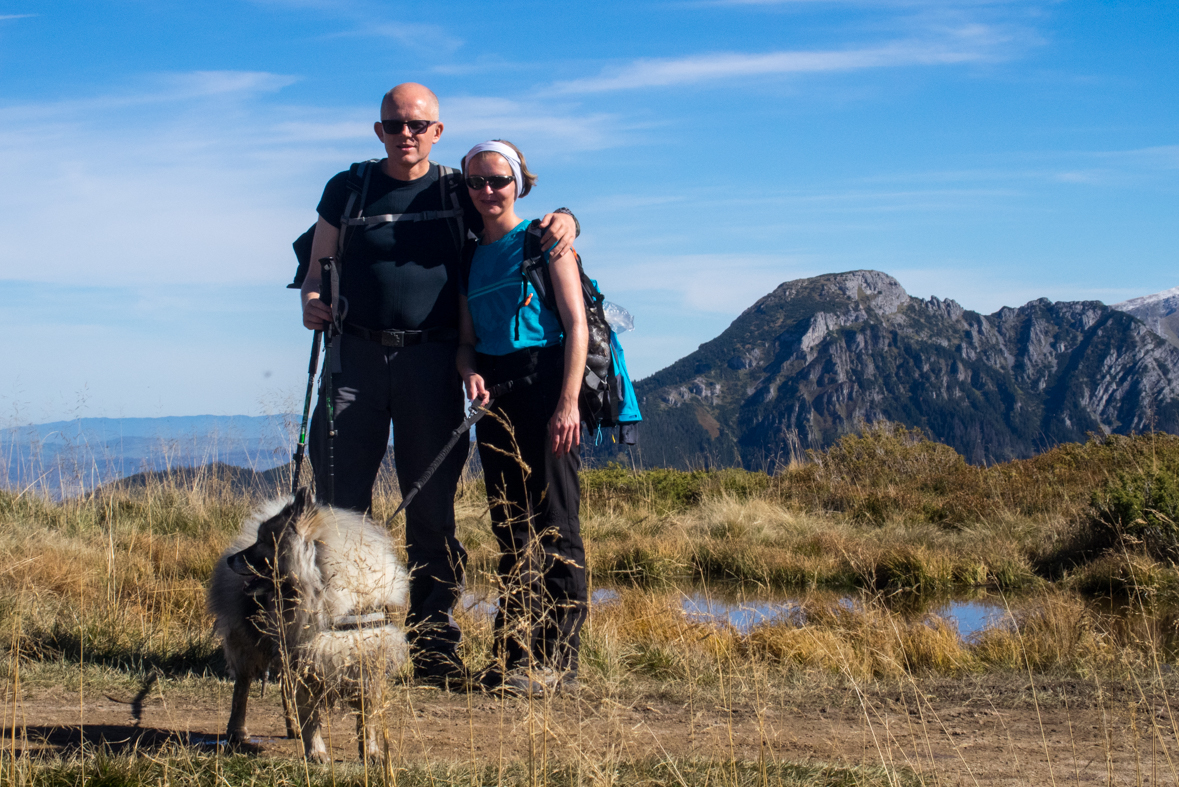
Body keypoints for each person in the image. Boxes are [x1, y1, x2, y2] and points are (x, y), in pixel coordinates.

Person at [299, 84, 579, 689]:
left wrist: (569, 220)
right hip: (354, 361)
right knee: (340, 508)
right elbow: (317, 263)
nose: (407, 134)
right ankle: (341, 639)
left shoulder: (458, 189)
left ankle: (432, 643)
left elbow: (511, 211)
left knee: (432, 512)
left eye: (419, 125)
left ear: (438, 131)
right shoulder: (349, 189)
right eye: (395, 124)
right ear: (379, 131)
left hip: (431, 365)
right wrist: (314, 303)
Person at [456, 140, 588, 696]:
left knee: (555, 523)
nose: (488, 191)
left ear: (520, 183)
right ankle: (513, 657)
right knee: (511, 527)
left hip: (546, 388)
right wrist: (469, 375)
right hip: (495, 398)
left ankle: (558, 662)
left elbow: (576, 325)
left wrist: (567, 403)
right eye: (477, 183)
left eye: (499, 181)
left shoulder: (545, 241)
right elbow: (466, 341)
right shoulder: (468, 256)